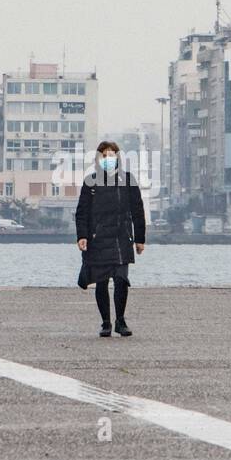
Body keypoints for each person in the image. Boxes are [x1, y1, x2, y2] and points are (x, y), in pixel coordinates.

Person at [75, 140, 145, 337]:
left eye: (111, 154)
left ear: (118, 157)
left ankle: (120, 321)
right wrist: (82, 236)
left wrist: (140, 239)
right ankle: (106, 322)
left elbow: (138, 210)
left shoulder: (128, 180)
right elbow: (82, 212)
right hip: (98, 238)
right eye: (104, 155)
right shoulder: (91, 182)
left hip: (122, 237)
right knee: (102, 281)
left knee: (122, 279)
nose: (108, 158)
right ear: (98, 158)